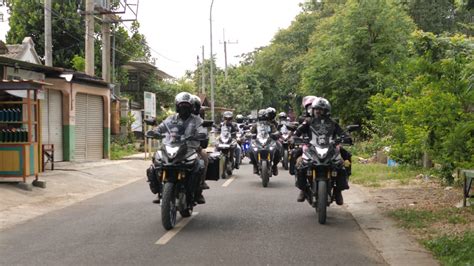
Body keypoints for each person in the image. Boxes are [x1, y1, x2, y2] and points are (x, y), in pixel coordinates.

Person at [293, 97, 350, 205]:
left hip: (331, 147)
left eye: (321, 110)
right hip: (311, 147)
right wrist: (295, 137)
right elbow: (298, 132)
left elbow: (342, 133)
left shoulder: (333, 123)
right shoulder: (308, 122)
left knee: (344, 162)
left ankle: (338, 191)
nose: (318, 112)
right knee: (300, 164)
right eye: (316, 109)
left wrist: (346, 137)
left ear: (327, 111)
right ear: (313, 110)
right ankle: (303, 189)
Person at [152, 92, 207, 204]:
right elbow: (162, 127)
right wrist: (155, 131)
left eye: (186, 106)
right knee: (155, 161)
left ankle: (198, 191)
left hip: (190, 148)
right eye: (182, 106)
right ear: (177, 106)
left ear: (191, 107)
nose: (184, 109)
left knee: (200, 164)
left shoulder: (197, 120)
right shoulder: (171, 119)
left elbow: (203, 131)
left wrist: (201, 135)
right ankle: (159, 191)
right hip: (172, 146)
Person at [289, 96, 319, 175]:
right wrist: (294, 137)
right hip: (309, 144)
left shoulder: (327, 120)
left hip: (325, 145)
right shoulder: (306, 120)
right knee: (295, 153)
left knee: (341, 156)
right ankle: (296, 174)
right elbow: (298, 131)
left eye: (315, 107)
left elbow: (335, 130)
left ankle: (344, 177)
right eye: (310, 107)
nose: (313, 110)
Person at [249, 109, 281, 175]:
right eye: (261, 118)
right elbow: (251, 132)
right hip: (258, 141)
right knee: (250, 149)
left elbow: (275, 131)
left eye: (265, 118)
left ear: (267, 118)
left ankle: (274, 166)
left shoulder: (271, 125)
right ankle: (255, 165)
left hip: (269, 141)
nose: (263, 120)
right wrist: (249, 134)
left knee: (278, 148)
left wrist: (276, 133)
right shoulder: (255, 125)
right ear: (259, 118)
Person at [191, 94, 210, 190]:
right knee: (158, 157)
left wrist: (203, 138)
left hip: (194, 148)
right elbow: (165, 128)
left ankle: (201, 183)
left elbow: (204, 133)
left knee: (204, 157)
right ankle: (160, 190)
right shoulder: (174, 119)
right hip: (176, 147)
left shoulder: (199, 121)